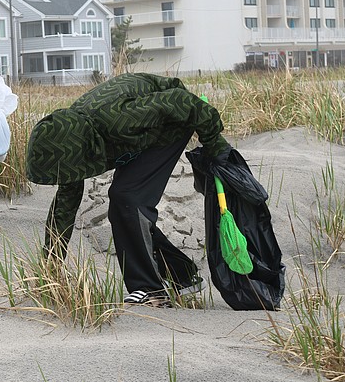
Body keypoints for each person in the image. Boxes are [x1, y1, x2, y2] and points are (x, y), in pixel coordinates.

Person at [25, 73, 230, 306]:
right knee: (124, 204)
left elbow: (183, 101)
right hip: (136, 136)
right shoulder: (68, 139)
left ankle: (151, 291)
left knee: (128, 199)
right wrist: (50, 266)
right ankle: (182, 276)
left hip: (168, 125)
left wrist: (214, 143)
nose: (62, 180)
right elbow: (64, 207)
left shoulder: (117, 119)